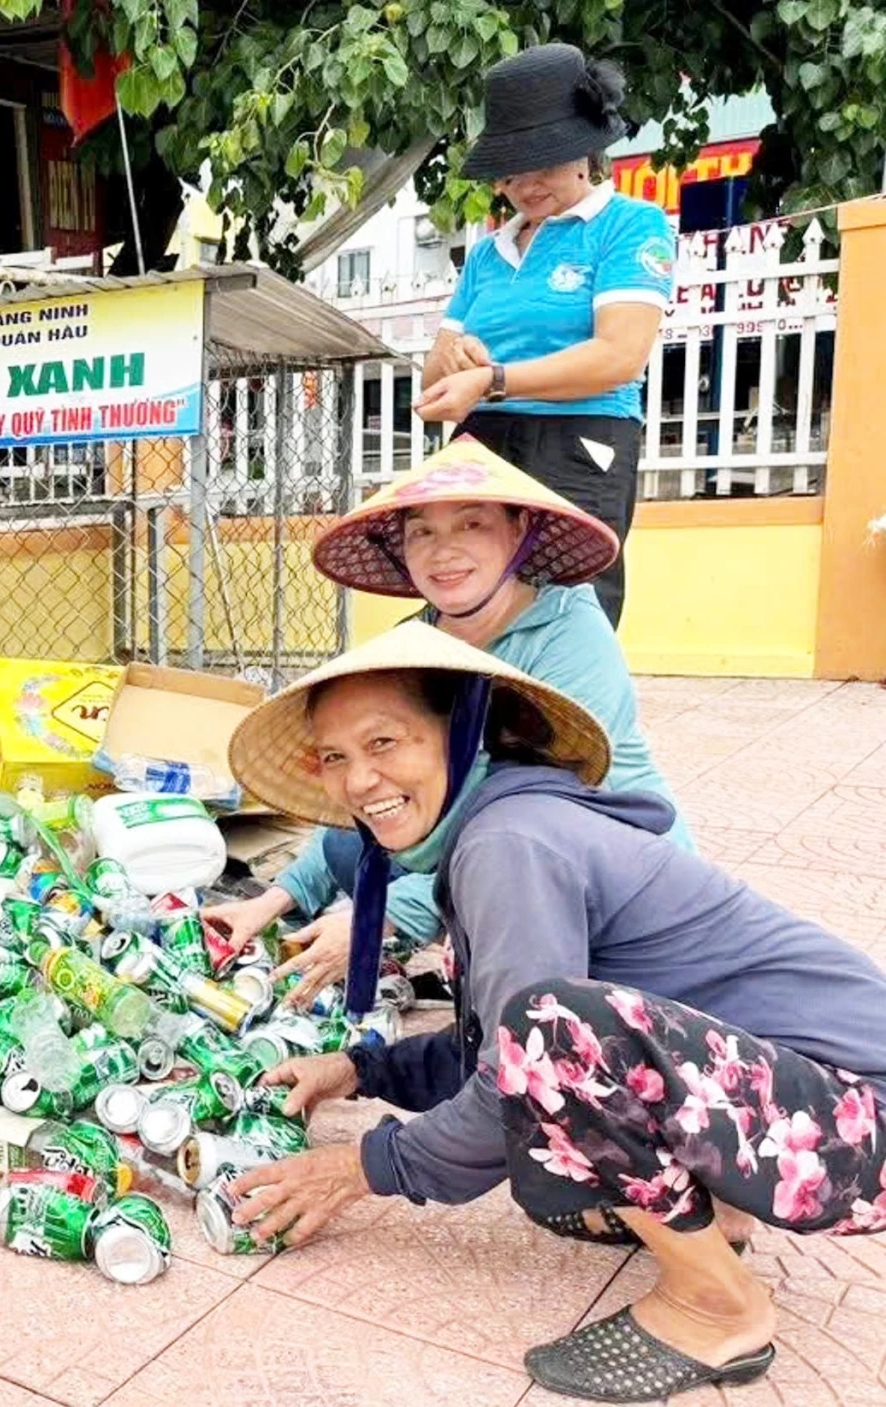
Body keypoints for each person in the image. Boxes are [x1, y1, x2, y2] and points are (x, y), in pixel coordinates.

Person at [223, 621, 886, 1401]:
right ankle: (725, 1220)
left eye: (386, 742)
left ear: (463, 733)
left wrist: (356, 1168)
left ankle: (718, 1305)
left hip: (853, 1133)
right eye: (336, 757)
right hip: (800, 1104)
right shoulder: (498, 827)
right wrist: (357, 1069)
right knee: (547, 1075)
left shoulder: (511, 842)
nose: (362, 779)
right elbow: (492, 1039)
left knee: (552, 1041)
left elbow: (522, 1060)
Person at [202, 438, 690, 1005]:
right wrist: (273, 900)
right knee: (351, 837)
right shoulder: (418, 642)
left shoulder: (571, 635)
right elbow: (370, 782)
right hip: (483, 844)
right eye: (421, 532)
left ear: (520, 530)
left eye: (471, 525)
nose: (443, 552)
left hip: (587, 863)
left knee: (542, 1010)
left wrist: (374, 924)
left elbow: (524, 824)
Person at [412, 43, 676, 625]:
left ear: (585, 152)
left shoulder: (630, 226)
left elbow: (619, 356)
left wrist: (495, 379)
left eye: (546, 163)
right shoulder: (486, 254)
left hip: (581, 438)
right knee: (466, 602)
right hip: (483, 438)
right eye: (511, 169)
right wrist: (461, 360)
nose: (526, 185)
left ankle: (564, 717)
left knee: (567, 606)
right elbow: (433, 377)